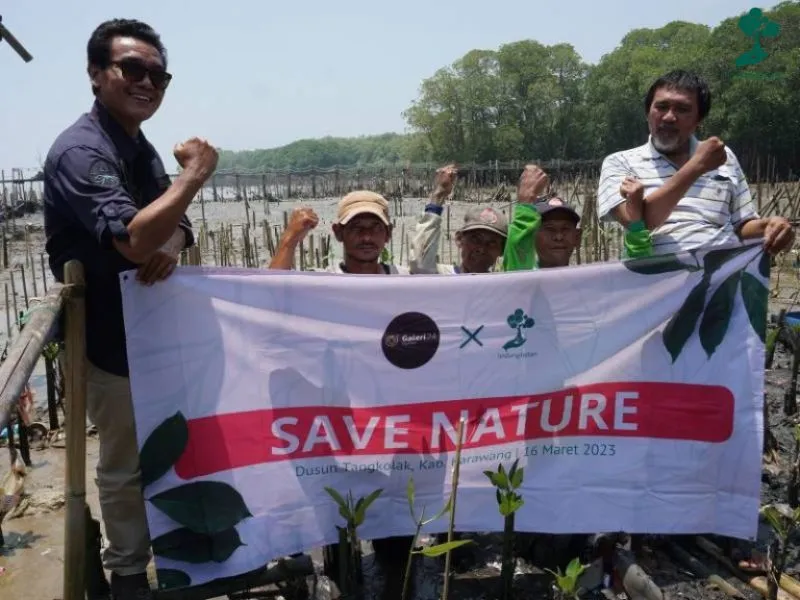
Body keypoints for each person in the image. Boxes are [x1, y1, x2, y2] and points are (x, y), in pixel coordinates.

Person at [43, 19, 218, 600]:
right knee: (121, 465)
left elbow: (174, 228)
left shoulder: (138, 147)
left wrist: (171, 241)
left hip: (156, 333)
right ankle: (126, 575)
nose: (147, 81)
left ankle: (185, 552)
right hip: (108, 339)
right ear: (97, 76)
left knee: (173, 447)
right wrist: (195, 175)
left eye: (157, 73)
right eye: (132, 69)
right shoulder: (81, 150)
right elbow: (135, 239)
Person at [597, 69, 794, 257]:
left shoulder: (724, 157)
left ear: (699, 119)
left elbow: (741, 225)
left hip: (716, 280)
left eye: (682, 109)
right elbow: (637, 224)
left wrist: (772, 226)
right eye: (661, 107)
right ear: (647, 113)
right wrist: (696, 167)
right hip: (656, 283)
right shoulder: (620, 162)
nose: (669, 117)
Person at [503, 164, 652, 271]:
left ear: (578, 237)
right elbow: (518, 248)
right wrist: (525, 203)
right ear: (533, 236)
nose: (559, 236)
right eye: (549, 229)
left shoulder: (588, 283)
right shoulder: (522, 276)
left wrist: (635, 219)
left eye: (566, 229)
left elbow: (638, 269)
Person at [269, 190, 409, 275]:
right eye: (356, 228)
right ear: (338, 232)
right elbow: (272, 294)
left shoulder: (404, 281)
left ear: (388, 233)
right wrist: (289, 240)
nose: (366, 236)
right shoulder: (322, 283)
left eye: (376, 227)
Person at [409, 164, 508, 274]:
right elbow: (420, 265)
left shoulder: (501, 286)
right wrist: (438, 195)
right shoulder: (444, 278)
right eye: (475, 239)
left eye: (492, 243)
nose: (482, 248)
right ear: (459, 239)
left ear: (502, 250)